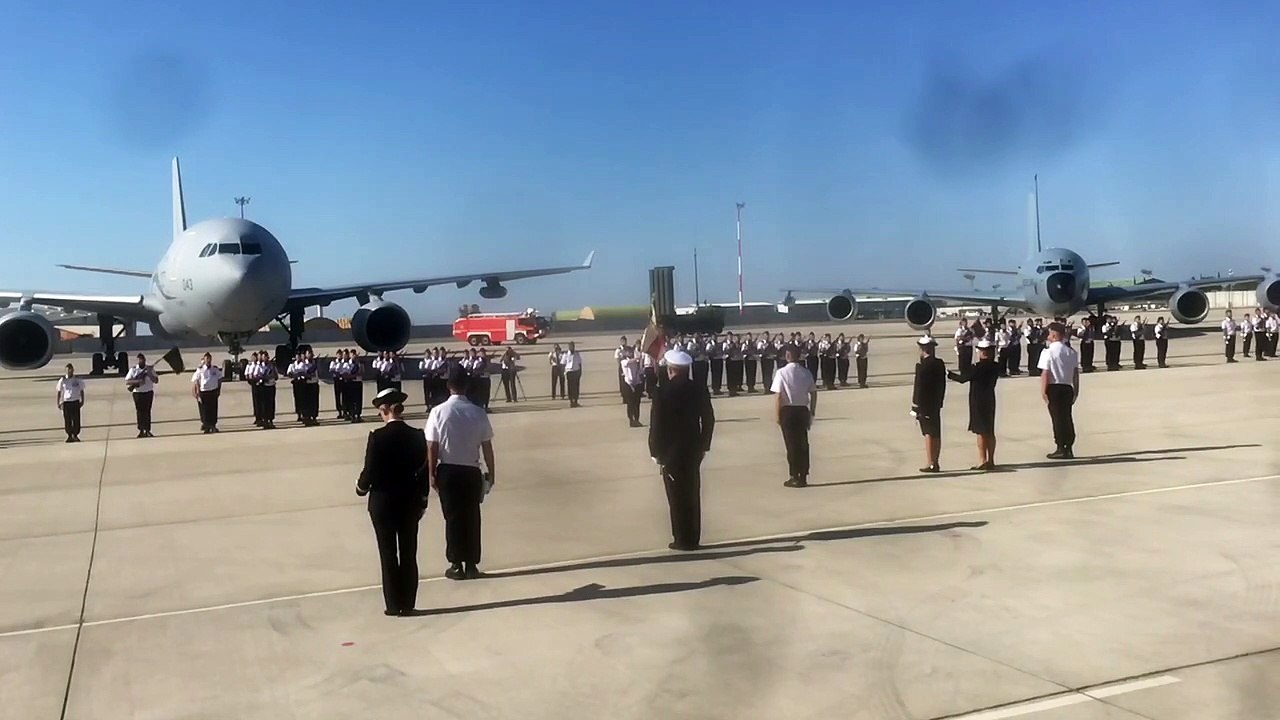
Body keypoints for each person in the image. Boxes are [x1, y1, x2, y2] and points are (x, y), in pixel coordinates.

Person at [356, 387, 428, 616]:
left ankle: (392, 603)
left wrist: (361, 487)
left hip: (383, 502)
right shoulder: (417, 435)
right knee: (408, 552)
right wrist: (423, 498)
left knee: (387, 553)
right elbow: (423, 470)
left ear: (385, 409)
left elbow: (370, 470)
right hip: (409, 501)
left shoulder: (377, 437)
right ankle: (408, 603)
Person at [425, 365, 496, 581]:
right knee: (472, 516)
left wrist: (431, 473)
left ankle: (456, 563)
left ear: (448, 386)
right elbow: (487, 446)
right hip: (471, 470)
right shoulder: (477, 411)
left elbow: (432, 445)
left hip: (449, 469)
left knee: (453, 518)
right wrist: (491, 473)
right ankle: (472, 563)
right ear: (466, 385)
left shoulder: (438, 412)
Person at [648, 350, 715, 551]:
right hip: (693, 449)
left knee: (676, 497)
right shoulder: (699, 389)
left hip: (671, 452)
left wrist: (655, 451)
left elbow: (656, 424)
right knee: (692, 492)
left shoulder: (662, 392)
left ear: (670, 370)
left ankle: (681, 539)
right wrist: (704, 445)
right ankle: (693, 537)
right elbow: (709, 420)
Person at [948, 339, 1000, 470]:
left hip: (978, 401)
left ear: (982, 352)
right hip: (990, 399)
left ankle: (982, 460)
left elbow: (962, 379)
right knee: (990, 431)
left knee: (981, 432)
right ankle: (991, 460)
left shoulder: (977, 368)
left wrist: (949, 374)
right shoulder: (995, 367)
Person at [773, 345, 818, 488]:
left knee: (791, 444)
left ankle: (794, 475)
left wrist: (777, 415)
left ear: (787, 356)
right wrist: (812, 411)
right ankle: (804, 474)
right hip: (802, 410)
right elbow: (813, 393)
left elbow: (779, 396)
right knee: (803, 443)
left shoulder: (781, 373)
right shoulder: (806, 372)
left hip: (788, 411)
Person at [1038, 322, 1080, 459]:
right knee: (1067, 417)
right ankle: (1069, 446)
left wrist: (1043, 391)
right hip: (1067, 387)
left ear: (1054, 335)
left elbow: (1045, 373)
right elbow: (1075, 374)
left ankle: (1061, 446)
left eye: (1050, 333)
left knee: (1057, 418)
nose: (1048, 336)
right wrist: (1076, 390)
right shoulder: (1071, 352)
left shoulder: (1048, 352)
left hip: (1054, 388)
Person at [911, 337, 946, 473]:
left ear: (922, 349)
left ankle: (931, 462)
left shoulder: (922, 366)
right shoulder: (939, 363)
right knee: (936, 432)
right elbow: (942, 385)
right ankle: (935, 461)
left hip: (925, 404)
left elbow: (919, 387)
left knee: (928, 433)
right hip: (936, 403)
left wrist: (915, 405)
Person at [125, 353, 158, 438]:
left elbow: (156, 380)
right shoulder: (133, 370)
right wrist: (138, 381)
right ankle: (141, 430)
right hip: (138, 393)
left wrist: (149, 373)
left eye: (142, 359)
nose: (141, 361)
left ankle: (147, 430)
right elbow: (128, 381)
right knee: (140, 412)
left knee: (147, 412)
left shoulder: (150, 369)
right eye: (140, 359)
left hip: (148, 392)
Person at [191, 353, 223, 433]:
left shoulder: (215, 369)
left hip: (213, 391)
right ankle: (206, 426)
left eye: (209, 359)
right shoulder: (200, 369)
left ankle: (213, 425)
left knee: (213, 409)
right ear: (204, 360)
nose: (208, 360)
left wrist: (219, 389)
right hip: (204, 392)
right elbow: (196, 380)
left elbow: (220, 378)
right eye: (206, 359)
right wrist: (197, 391)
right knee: (205, 410)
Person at [56, 363, 85, 443]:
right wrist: (58, 402)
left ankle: (75, 435)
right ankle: (69, 435)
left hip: (75, 401)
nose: (70, 372)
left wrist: (82, 400)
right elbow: (59, 391)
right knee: (67, 419)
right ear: (66, 371)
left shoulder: (77, 380)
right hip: (66, 402)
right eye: (68, 370)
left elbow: (82, 390)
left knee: (76, 419)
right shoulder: (62, 380)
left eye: (71, 370)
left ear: (73, 370)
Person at [621, 347, 645, 427]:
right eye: (628, 352)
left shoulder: (636, 362)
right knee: (630, 403)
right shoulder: (624, 361)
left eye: (631, 352)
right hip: (628, 384)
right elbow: (629, 362)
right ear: (625, 353)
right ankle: (631, 419)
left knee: (637, 403)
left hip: (636, 383)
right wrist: (638, 358)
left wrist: (640, 359)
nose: (630, 353)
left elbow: (640, 367)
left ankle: (637, 419)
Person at [257, 351, 279, 429]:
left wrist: (271, 376)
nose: (265, 358)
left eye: (266, 356)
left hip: (271, 386)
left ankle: (270, 420)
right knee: (264, 404)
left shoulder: (272, 366)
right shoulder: (259, 366)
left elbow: (276, 376)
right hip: (263, 387)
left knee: (271, 404)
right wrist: (264, 378)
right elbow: (256, 376)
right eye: (263, 356)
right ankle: (265, 420)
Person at [564, 341, 583, 407]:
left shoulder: (577, 354)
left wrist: (580, 372)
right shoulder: (566, 354)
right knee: (570, 387)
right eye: (570, 346)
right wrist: (564, 372)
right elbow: (563, 364)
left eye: (573, 346)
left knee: (576, 387)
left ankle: (576, 400)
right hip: (569, 372)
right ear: (569, 347)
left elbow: (580, 363)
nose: (572, 348)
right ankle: (571, 401)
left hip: (576, 371)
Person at [330, 350, 348, 419]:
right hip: (337, 380)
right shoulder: (334, 362)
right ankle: (339, 411)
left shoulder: (345, 362)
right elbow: (331, 369)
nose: (340, 356)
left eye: (341, 355)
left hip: (343, 380)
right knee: (337, 396)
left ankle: (345, 411)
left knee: (344, 396)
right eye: (338, 355)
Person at [726, 332, 745, 397]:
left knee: (735, 376)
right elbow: (727, 351)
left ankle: (734, 390)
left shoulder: (736, 344)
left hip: (736, 361)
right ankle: (731, 391)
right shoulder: (730, 345)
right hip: (730, 361)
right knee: (731, 377)